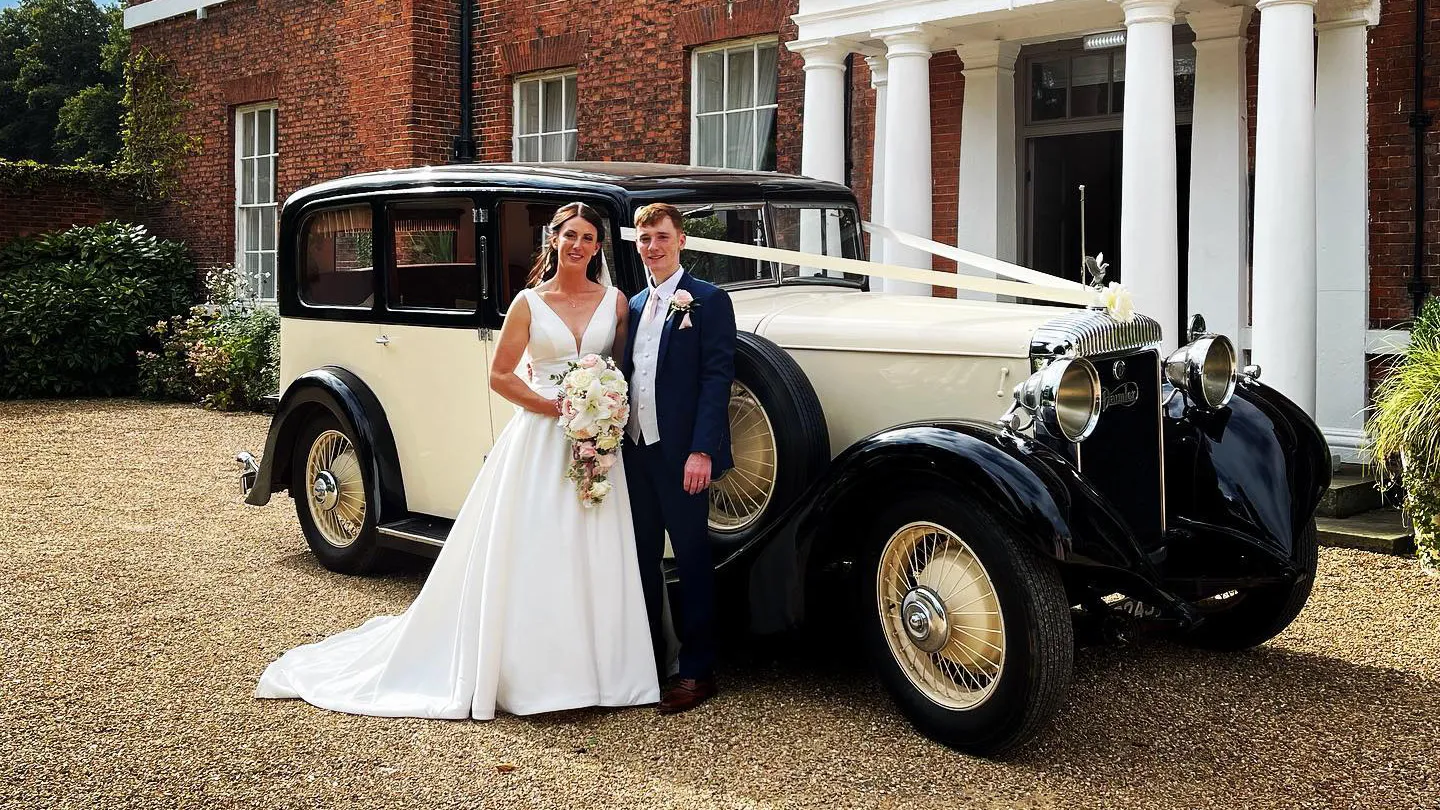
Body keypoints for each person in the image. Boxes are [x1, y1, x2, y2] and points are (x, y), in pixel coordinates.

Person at [254, 202, 660, 719]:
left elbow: (617, 367)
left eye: (587, 237)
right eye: (569, 236)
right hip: (541, 436)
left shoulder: (617, 302)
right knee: (542, 545)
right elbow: (503, 375)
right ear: (553, 241)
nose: (577, 245)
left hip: (595, 440)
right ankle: (542, 678)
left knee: (597, 546)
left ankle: (608, 674)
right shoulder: (529, 304)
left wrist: (602, 408)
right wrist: (557, 407)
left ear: (599, 246)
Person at [622, 202, 737, 714]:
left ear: (681, 240)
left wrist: (701, 450)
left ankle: (696, 670)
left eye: (662, 237)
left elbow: (717, 379)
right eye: (645, 238)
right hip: (635, 451)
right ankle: (651, 661)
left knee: (691, 560)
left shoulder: (708, 301)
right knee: (642, 559)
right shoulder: (635, 302)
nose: (653, 246)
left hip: (683, 454)